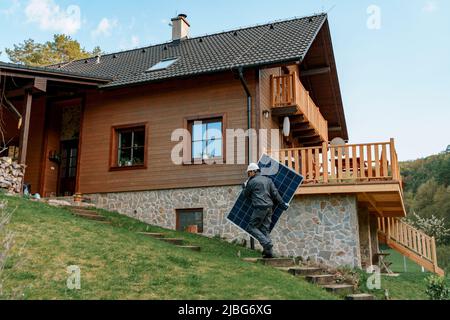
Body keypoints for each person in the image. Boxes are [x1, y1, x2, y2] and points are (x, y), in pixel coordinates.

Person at [242, 163, 290, 259]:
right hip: (269, 208)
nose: (248, 175)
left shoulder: (252, 182)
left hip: (260, 207)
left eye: (248, 173)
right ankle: (269, 253)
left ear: (253, 171)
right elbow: (275, 194)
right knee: (265, 230)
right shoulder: (268, 180)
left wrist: (244, 186)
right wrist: (283, 205)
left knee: (251, 227)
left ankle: (267, 243)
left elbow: (245, 195)